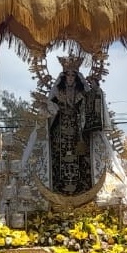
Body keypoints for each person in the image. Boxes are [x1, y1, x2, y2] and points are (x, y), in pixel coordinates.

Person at [46, 56, 109, 195]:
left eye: (73, 74)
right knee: (58, 158)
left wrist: (96, 88)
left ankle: (82, 191)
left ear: (76, 76)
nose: (70, 77)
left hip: (78, 132)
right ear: (63, 76)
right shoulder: (57, 91)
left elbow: (93, 100)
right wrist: (53, 107)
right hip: (60, 131)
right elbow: (48, 106)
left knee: (80, 159)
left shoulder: (82, 93)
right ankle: (58, 190)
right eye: (67, 74)